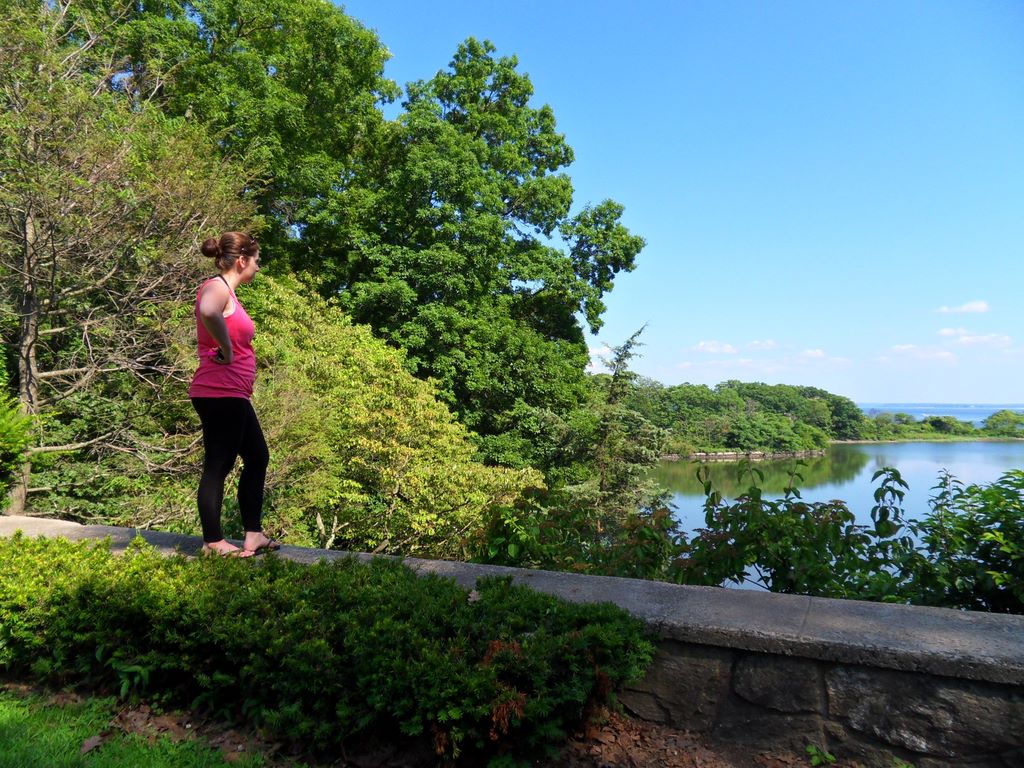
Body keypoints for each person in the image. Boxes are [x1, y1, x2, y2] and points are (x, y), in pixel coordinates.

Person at [189, 231, 280, 557]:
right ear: (242, 261)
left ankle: (253, 534)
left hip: (234, 393)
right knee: (219, 463)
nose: (258, 267)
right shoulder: (216, 287)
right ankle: (213, 542)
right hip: (219, 391)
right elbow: (208, 310)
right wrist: (226, 349)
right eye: (256, 261)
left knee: (257, 456)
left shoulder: (230, 293)